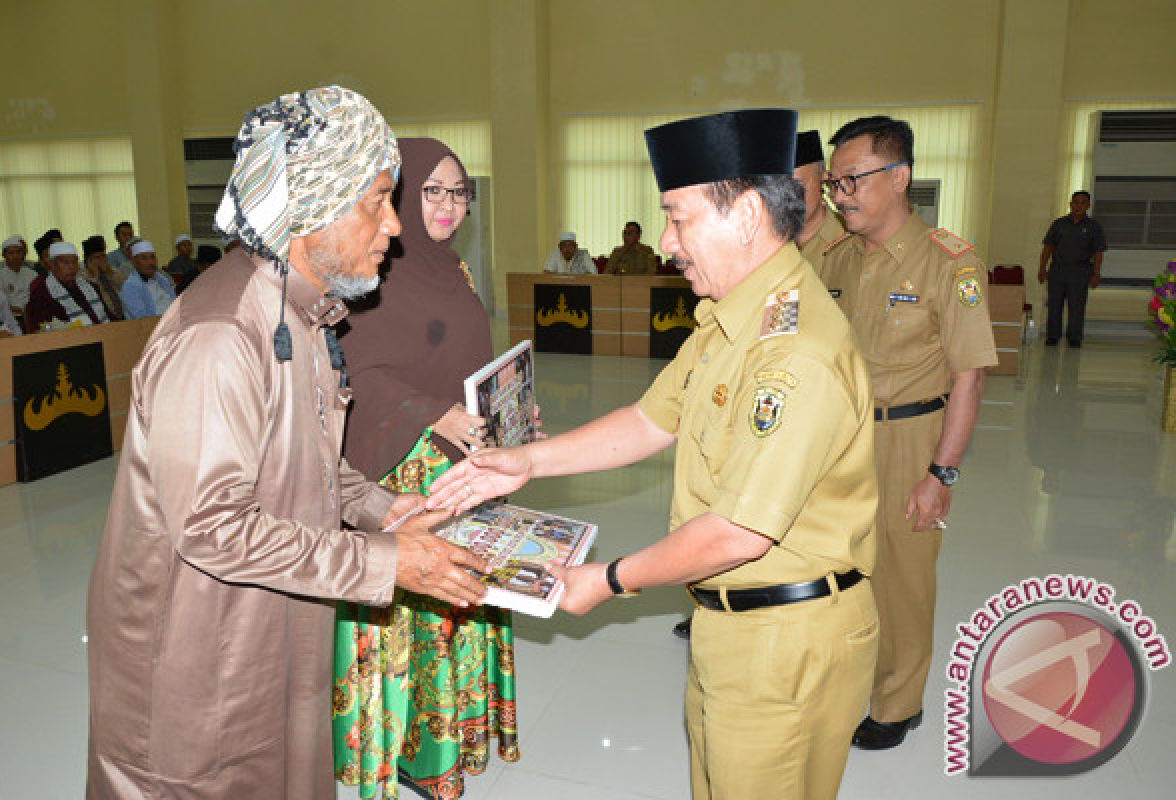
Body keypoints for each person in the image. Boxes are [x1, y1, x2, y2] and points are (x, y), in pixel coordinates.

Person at [429, 108, 881, 800]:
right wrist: (529, 462)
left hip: (786, 646)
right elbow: (648, 420)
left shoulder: (795, 354)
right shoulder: (730, 316)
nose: (667, 240)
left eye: (679, 217)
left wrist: (607, 581)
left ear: (749, 214)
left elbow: (738, 530)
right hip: (732, 630)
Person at [85, 85, 490, 800]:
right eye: (377, 199)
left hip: (275, 629)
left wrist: (386, 508)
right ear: (311, 204)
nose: (394, 226)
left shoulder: (302, 314)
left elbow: (309, 461)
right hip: (201, 659)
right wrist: (386, 561)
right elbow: (212, 529)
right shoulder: (220, 336)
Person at [334, 138, 518, 800]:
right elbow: (353, 370)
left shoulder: (456, 271)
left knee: (459, 598)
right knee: (416, 599)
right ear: (401, 196)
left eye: (460, 192)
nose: (448, 205)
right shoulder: (369, 270)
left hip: (460, 463)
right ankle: (405, 751)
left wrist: (510, 424)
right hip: (402, 469)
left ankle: (456, 731)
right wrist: (434, 413)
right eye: (431, 190)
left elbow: (473, 361)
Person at [819, 115, 997, 751]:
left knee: (903, 578)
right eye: (834, 184)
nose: (841, 194)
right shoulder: (836, 257)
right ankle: (850, 680)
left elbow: (969, 378)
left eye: (852, 180)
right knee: (843, 569)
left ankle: (898, 703)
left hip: (910, 438)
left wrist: (940, 474)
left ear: (899, 178)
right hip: (840, 440)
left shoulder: (950, 261)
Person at [1038, 190, 1107, 347]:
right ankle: (1052, 336)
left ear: (1088, 205)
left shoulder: (1093, 227)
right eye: (1076, 202)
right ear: (1070, 204)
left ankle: (1074, 337)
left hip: (1080, 272)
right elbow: (1048, 247)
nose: (1078, 206)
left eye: (1083, 203)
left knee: (1077, 306)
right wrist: (1042, 268)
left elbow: (1098, 252)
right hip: (1058, 270)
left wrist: (1096, 273)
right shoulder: (1059, 224)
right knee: (1054, 304)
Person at [23, 241, 110, 331]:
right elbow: (41, 327)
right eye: (65, 263)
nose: (71, 267)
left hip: (101, 334)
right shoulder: (42, 293)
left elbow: (107, 316)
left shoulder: (91, 287)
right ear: (52, 265)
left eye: (74, 262)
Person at [794, 130, 844, 274]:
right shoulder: (764, 242)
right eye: (779, 188)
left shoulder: (850, 237)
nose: (788, 196)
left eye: (797, 185)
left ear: (824, 179)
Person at [120, 239, 177, 319]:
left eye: (152, 257)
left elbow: (174, 301)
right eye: (144, 258)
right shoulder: (131, 286)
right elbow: (142, 319)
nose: (150, 262)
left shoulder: (161, 279)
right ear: (134, 262)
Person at [81, 236, 125, 321]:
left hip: (123, 315)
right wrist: (95, 276)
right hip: (102, 319)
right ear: (88, 260)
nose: (102, 260)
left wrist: (111, 273)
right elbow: (91, 297)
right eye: (97, 257)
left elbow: (125, 287)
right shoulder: (82, 276)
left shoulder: (110, 270)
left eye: (103, 256)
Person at [0, 235, 35, 320]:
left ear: (23, 254)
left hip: (32, 314)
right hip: (9, 317)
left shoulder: (32, 274)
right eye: (11, 253)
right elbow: (0, 303)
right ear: (3, 255)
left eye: (18, 252)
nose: (15, 256)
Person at [106, 221, 135, 286]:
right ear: (117, 237)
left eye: (130, 235)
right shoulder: (111, 257)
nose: (128, 237)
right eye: (124, 235)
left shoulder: (140, 255)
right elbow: (115, 279)